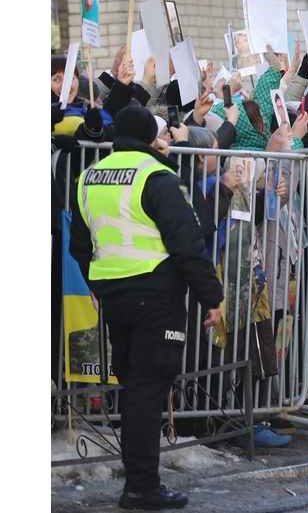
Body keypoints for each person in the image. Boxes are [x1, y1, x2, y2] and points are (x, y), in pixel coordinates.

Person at [69, 106, 224, 510]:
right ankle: (141, 487)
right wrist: (213, 297)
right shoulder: (156, 176)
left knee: (136, 388)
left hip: (115, 299)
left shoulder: (89, 177)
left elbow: (80, 247)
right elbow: (187, 244)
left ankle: (140, 483)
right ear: (147, 135)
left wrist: (98, 284)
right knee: (146, 391)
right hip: (155, 296)